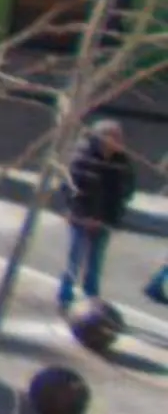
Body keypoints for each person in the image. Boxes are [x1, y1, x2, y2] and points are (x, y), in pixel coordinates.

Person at [60, 119, 135, 308]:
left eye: (119, 137)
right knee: (75, 257)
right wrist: (84, 215)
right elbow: (72, 188)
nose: (119, 141)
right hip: (81, 217)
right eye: (114, 136)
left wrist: (109, 216)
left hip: (105, 219)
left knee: (95, 262)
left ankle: (91, 297)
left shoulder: (122, 162)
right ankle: (65, 295)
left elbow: (126, 190)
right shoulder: (83, 156)